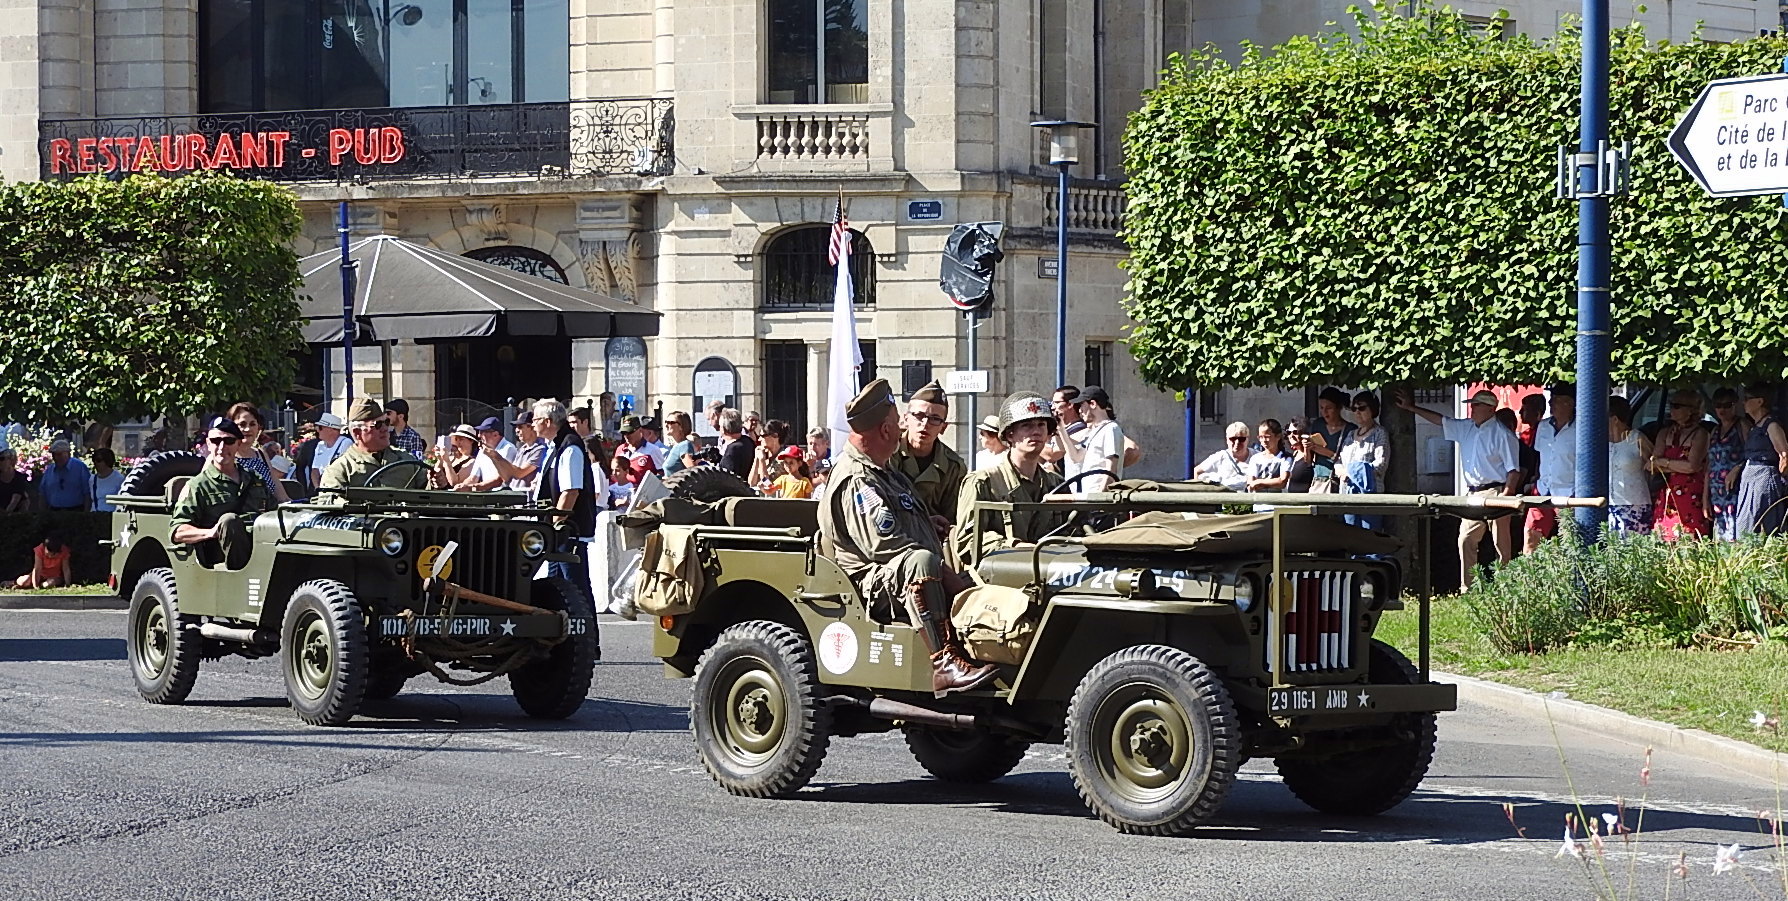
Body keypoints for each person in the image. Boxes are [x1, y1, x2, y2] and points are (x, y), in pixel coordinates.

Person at [817, 378, 998, 695]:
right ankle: (944, 662)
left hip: (898, 574)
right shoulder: (857, 478)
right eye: (897, 424)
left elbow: (897, 520)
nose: (903, 432)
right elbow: (884, 545)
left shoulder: (884, 471)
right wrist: (947, 577)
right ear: (886, 430)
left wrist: (927, 523)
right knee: (921, 561)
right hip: (868, 581)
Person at [1394, 388, 1521, 588]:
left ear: (1490, 408)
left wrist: (1506, 495)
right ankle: (1467, 588)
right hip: (1472, 493)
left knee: (1501, 544)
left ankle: (1505, 586)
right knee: (1465, 539)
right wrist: (1411, 408)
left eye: (1476, 405)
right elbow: (1440, 420)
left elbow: (1514, 470)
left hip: (1496, 491)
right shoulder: (1466, 427)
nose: (1472, 408)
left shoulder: (1503, 435)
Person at [951, 391, 1069, 569]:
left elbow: (1076, 534)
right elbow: (967, 542)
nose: (1036, 431)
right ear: (1009, 434)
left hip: (1050, 575)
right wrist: (1016, 548)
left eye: (1041, 425)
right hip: (998, 579)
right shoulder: (983, 483)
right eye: (1027, 426)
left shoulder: (1057, 486)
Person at [171, 419, 272, 569]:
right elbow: (177, 532)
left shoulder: (254, 479)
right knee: (229, 520)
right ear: (209, 444)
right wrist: (212, 532)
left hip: (262, 548)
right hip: (224, 557)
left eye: (229, 441)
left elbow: (274, 513)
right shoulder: (198, 485)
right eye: (216, 441)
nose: (222, 447)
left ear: (238, 444)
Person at [532, 398, 598, 588]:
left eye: (536, 419)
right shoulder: (555, 446)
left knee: (575, 586)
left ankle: (585, 619)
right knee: (556, 586)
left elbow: (570, 492)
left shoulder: (570, 447)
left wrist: (555, 528)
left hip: (568, 532)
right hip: (556, 533)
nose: (533, 424)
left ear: (547, 421)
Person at [890, 382, 969, 528]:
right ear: (906, 419)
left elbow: (953, 518)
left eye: (934, 419)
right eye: (919, 416)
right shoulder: (887, 455)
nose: (925, 424)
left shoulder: (953, 467)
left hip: (934, 540)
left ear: (943, 427)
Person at [318, 399, 428, 491]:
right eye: (378, 425)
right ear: (357, 433)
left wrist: (437, 482)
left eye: (386, 422)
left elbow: (429, 493)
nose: (385, 429)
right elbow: (330, 503)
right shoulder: (341, 469)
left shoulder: (406, 461)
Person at [1650, 389, 1711, 540]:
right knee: (1664, 537)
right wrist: (1675, 465)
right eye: (1671, 405)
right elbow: (1653, 463)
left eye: (1676, 406)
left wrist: (1665, 463)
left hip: (1691, 495)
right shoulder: (1665, 433)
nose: (1672, 409)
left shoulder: (1700, 434)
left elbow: (1692, 466)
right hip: (1666, 495)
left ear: (1690, 410)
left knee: (1691, 537)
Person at [1522, 384, 1577, 552]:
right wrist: (1535, 480)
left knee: (1570, 541)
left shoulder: (1582, 428)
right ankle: (1528, 577)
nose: (1551, 403)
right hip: (1543, 490)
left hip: (1570, 492)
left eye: (1557, 400)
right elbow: (1539, 456)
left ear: (1570, 403)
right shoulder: (1543, 426)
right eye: (1551, 399)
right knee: (1531, 538)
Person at [1734, 383, 1788, 536]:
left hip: (1763, 477)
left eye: (1747, 399)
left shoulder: (1771, 425)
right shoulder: (1756, 426)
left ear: (1759, 401)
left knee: (1760, 521)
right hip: (1750, 478)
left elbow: (1784, 453)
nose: (1743, 402)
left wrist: (1778, 480)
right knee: (1746, 521)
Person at [1054, 385, 1124, 493]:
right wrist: (1061, 428)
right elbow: (1076, 457)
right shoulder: (1094, 432)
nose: (1080, 411)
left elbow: (1111, 468)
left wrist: (1100, 497)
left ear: (1093, 404)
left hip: (1099, 498)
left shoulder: (1111, 429)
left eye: (1082, 405)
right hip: (1088, 495)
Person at [1337, 391, 1390, 529]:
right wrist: (1341, 471)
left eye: (1361, 408)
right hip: (1348, 493)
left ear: (1372, 409)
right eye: (1354, 409)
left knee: (1369, 537)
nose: (1357, 412)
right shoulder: (1350, 434)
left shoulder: (1380, 433)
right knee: (1351, 536)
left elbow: (1380, 464)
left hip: (1369, 495)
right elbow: (1339, 460)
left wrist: (1354, 473)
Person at [1606, 395, 1654, 536]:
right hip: (1609, 505)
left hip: (1635, 504)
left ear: (1614, 419)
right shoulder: (1603, 441)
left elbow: (1654, 465)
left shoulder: (1636, 439)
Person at [226, 403, 291, 505]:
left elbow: (276, 487)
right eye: (242, 424)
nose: (248, 429)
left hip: (267, 514)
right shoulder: (222, 455)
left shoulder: (261, 454)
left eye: (252, 424)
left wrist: (290, 505)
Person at [1706, 387, 1747, 541]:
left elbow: (1753, 454)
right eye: (1718, 405)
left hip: (1736, 488)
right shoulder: (1715, 430)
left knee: (1736, 533)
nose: (1722, 409)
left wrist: (1737, 469)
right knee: (1721, 534)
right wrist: (1705, 498)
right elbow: (1709, 465)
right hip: (1717, 491)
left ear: (1735, 405)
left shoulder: (1741, 425)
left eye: (1727, 405)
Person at [1309, 387, 1356, 491]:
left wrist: (1328, 453)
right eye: (1321, 408)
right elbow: (1308, 460)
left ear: (1338, 408)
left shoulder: (1350, 430)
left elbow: (1352, 460)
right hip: (1318, 480)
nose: (1324, 412)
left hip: (1339, 481)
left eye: (1329, 408)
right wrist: (1306, 447)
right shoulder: (1318, 425)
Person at [36, 438, 92, 511]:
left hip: (76, 511)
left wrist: (86, 514)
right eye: (54, 454)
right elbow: (42, 493)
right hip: (54, 512)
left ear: (68, 453)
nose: (56, 458)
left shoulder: (79, 467)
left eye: (59, 454)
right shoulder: (49, 470)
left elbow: (87, 492)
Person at [1194, 421, 1252, 490]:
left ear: (1247, 439)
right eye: (1232, 439)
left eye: (1241, 439)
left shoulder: (1257, 457)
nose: (1237, 442)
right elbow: (1197, 471)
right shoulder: (1220, 457)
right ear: (1227, 440)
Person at [1041, 385, 1086, 475]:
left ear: (1070, 404)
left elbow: (1053, 455)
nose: (1053, 407)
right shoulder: (1060, 428)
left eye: (1057, 403)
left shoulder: (1080, 430)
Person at [1246, 418, 1293, 492]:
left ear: (1278, 436)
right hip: (1260, 502)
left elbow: (1282, 482)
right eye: (1261, 437)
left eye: (1267, 437)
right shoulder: (1255, 459)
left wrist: (1259, 482)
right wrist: (1272, 482)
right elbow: (1251, 484)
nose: (1264, 440)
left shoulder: (1286, 458)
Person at [308, 413, 351, 492]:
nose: (317, 430)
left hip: (337, 489)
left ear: (331, 430)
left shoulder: (346, 443)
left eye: (320, 427)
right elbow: (315, 469)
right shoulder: (320, 445)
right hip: (322, 489)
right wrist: (318, 488)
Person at [431, 425, 482, 489]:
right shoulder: (451, 457)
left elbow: (454, 483)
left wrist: (446, 461)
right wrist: (439, 459)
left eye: (461, 439)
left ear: (471, 441)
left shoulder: (472, 462)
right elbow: (435, 474)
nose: (458, 442)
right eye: (456, 439)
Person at [749, 418, 793, 491]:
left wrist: (762, 461)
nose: (759, 439)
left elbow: (768, 485)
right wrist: (756, 460)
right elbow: (751, 483)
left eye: (762, 436)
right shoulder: (765, 455)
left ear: (775, 436)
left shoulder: (783, 458)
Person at [715, 408, 756, 482]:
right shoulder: (748, 442)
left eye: (720, 426)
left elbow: (727, 478)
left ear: (724, 429)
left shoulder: (732, 449)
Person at [1285, 418, 1318, 493]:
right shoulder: (1295, 453)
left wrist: (1306, 447)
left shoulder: (1312, 454)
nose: (1291, 435)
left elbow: (1308, 461)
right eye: (1289, 432)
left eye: (1295, 432)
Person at [663, 411, 700, 476]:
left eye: (670, 423)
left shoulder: (684, 445)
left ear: (681, 427)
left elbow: (692, 470)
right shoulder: (677, 446)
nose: (666, 425)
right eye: (666, 422)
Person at [90, 447, 125, 513]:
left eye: (98, 460)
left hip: (112, 516)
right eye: (93, 460)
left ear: (107, 461)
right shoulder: (92, 479)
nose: (95, 463)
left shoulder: (119, 479)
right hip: (95, 515)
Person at [0, 445, 28, 513]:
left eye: (1, 458)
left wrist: (4, 517)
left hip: (13, 518)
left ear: (11, 460)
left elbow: (14, 501)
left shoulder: (19, 478)